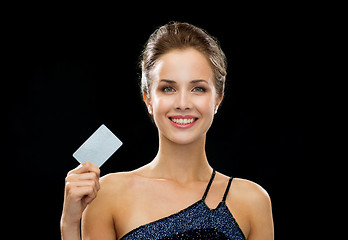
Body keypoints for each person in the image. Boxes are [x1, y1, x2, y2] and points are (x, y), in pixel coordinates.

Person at [61, 22, 274, 240]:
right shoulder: (108, 194)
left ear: (218, 98)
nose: (183, 103)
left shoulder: (253, 201)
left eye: (198, 88)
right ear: (148, 100)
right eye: (168, 88)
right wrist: (69, 224)